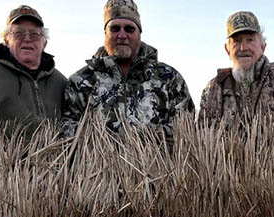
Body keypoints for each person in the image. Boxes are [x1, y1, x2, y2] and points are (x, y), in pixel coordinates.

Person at [60, 0, 194, 137]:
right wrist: (106, 139)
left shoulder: (169, 78)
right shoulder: (81, 81)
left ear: (139, 34)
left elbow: (186, 131)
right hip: (99, 158)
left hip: (155, 158)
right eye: (115, 28)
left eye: (129, 29)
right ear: (105, 33)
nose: (122, 35)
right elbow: (65, 130)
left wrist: (145, 137)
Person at [197, 11, 274, 136]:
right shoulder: (214, 88)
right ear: (227, 49)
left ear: (263, 46)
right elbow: (200, 134)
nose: (243, 48)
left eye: (250, 40)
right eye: (236, 41)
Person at [0, 5, 68, 138]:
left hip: (54, 159)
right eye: (19, 33)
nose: (27, 39)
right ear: (6, 40)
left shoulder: (61, 82)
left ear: (44, 42)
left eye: (34, 34)